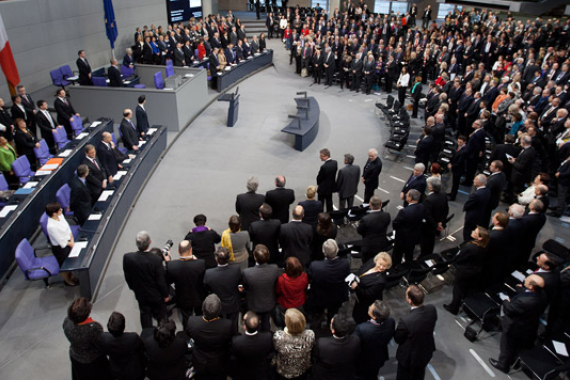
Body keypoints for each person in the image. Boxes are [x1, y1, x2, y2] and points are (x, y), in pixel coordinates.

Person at [488, 275, 547, 374]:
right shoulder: (541, 294)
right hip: (526, 325)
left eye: (527, 281)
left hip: (514, 325)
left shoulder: (525, 302)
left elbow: (510, 309)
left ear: (532, 287)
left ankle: (503, 365)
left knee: (506, 345)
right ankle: (512, 362)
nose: (524, 281)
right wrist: (520, 289)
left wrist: (506, 301)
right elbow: (528, 294)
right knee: (515, 346)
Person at [123, 231, 170, 328]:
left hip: (140, 293)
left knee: (144, 313)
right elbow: (161, 281)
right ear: (150, 242)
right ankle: (164, 334)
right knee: (162, 316)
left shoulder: (128, 257)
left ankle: (147, 335)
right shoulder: (156, 260)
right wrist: (165, 295)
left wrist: (133, 287)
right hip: (156, 295)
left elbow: (127, 275)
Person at [395, 285, 438, 380]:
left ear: (409, 300)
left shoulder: (406, 320)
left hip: (409, 358)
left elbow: (398, 338)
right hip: (425, 351)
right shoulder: (431, 309)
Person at [187, 294, 234, 380]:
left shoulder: (192, 321)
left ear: (202, 308)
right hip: (218, 362)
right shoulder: (227, 325)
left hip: (199, 361)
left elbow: (189, 335)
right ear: (219, 310)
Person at [443, 226, 490, 315]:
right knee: (464, 288)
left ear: (479, 237)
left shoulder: (470, 247)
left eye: (475, 232)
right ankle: (462, 301)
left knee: (458, 288)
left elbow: (460, 258)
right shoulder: (484, 246)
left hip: (464, 271)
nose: (472, 231)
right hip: (474, 270)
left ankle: (454, 307)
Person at [62, 298, 111, 380]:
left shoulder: (67, 322)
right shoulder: (93, 328)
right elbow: (98, 344)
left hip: (76, 356)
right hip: (93, 360)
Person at [307, 239, 350, 329]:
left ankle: (315, 331)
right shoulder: (345, 263)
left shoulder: (315, 266)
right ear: (337, 250)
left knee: (317, 315)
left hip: (319, 296)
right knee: (333, 314)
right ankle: (330, 328)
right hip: (337, 296)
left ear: (323, 252)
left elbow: (309, 279)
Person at [165, 240, 205, 328]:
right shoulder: (201, 263)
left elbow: (168, 281)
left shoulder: (172, 266)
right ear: (191, 250)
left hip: (183, 297)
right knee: (199, 314)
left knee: (186, 317)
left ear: (179, 251)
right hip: (198, 296)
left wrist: (168, 262)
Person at [242, 244, 281, 332]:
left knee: (256, 324)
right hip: (269, 303)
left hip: (254, 304)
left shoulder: (247, 273)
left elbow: (246, 286)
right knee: (266, 322)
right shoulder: (274, 269)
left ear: (255, 257)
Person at [354, 301, 396, 380]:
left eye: (371, 307)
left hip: (364, 359)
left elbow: (356, 345)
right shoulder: (391, 321)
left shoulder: (362, 329)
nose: (369, 306)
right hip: (379, 356)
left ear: (374, 317)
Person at [204, 247, 242, 331]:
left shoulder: (209, 273)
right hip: (233, 303)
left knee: (219, 328)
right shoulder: (236, 270)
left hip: (217, 306)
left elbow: (206, 288)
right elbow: (239, 282)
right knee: (234, 327)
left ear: (216, 259)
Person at [100, 312, 147, 380]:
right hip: (134, 369)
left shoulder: (104, 338)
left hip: (116, 370)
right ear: (124, 326)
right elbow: (142, 347)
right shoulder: (133, 337)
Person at [313, 314, 361, 380]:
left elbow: (316, 357)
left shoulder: (322, 344)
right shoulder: (355, 340)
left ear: (333, 330)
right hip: (346, 374)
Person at [273, 308, 315, 380]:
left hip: (283, 371)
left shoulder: (279, 337)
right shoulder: (310, 335)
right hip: (301, 370)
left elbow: (275, 349)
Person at [230, 311, 274, 380]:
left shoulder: (237, 341)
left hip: (244, 373)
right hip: (261, 372)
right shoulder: (267, 337)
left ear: (244, 327)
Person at [351, 252, 392, 324]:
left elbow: (367, 293)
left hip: (367, 302)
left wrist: (356, 287)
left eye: (384, 266)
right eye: (380, 264)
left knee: (361, 317)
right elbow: (361, 269)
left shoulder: (380, 281)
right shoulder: (371, 262)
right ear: (376, 261)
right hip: (359, 297)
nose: (381, 267)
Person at [45, 202, 79, 286]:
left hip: (68, 241)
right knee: (65, 265)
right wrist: (71, 243)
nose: (61, 210)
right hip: (60, 249)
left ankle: (71, 276)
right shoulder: (51, 226)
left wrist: (70, 236)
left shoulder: (60, 216)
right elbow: (60, 241)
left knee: (70, 263)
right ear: (54, 213)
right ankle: (67, 281)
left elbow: (67, 226)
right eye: (59, 210)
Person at [392, 190, 425, 267]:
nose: (406, 195)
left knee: (397, 255)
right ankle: (408, 268)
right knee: (409, 253)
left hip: (402, 238)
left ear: (410, 198)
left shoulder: (404, 211)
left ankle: (396, 269)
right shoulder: (422, 207)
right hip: (414, 237)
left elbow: (396, 224)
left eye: (407, 195)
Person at [357, 195, 391, 264]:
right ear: (381, 204)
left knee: (367, 265)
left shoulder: (365, 219)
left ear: (370, 205)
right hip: (382, 244)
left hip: (369, 246)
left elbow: (360, 231)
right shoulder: (387, 215)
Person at [275, 256, 308, 326]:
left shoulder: (282, 279)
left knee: (286, 321)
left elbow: (278, 291)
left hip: (285, 304)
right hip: (299, 303)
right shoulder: (304, 276)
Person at [420, 177, 449, 256]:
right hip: (437, 223)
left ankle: (424, 257)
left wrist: (436, 225)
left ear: (430, 187)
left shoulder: (428, 200)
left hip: (428, 226)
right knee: (431, 242)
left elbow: (427, 216)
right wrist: (441, 222)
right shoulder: (443, 195)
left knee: (426, 243)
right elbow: (446, 210)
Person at [463, 174, 491, 242]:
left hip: (472, 217)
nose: (474, 181)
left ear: (480, 182)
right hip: (480, 215)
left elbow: (467, 205)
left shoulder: (476, 195)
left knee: (467, 232)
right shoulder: (487, 191)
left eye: (475, 179)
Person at [448, 135, 468, 201]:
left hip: (458, 169)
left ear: (464, 142)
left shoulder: (464, 151)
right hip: (455, 166)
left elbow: (460, 161)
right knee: (454, 182)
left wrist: (452, 166)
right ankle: (451, 193)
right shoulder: (458, 147)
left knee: (455, 183)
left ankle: (453, 196)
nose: (459, 143)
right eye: (458, 142)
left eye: (460, 142)